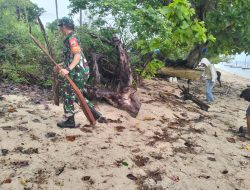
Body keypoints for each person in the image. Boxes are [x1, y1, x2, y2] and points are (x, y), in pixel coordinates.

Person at [55, 17, 106, 128]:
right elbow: (72, 57)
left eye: (60, 27)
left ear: (63, 26)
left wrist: (67, 69)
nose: (59, 29)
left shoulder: (72, 39)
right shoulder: (71, 38)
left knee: (68, 93)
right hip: (78, 71)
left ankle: (70, 121)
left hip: (77, 72)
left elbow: (77, 56)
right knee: (77, 94)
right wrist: (62, 65)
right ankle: (96, 114)